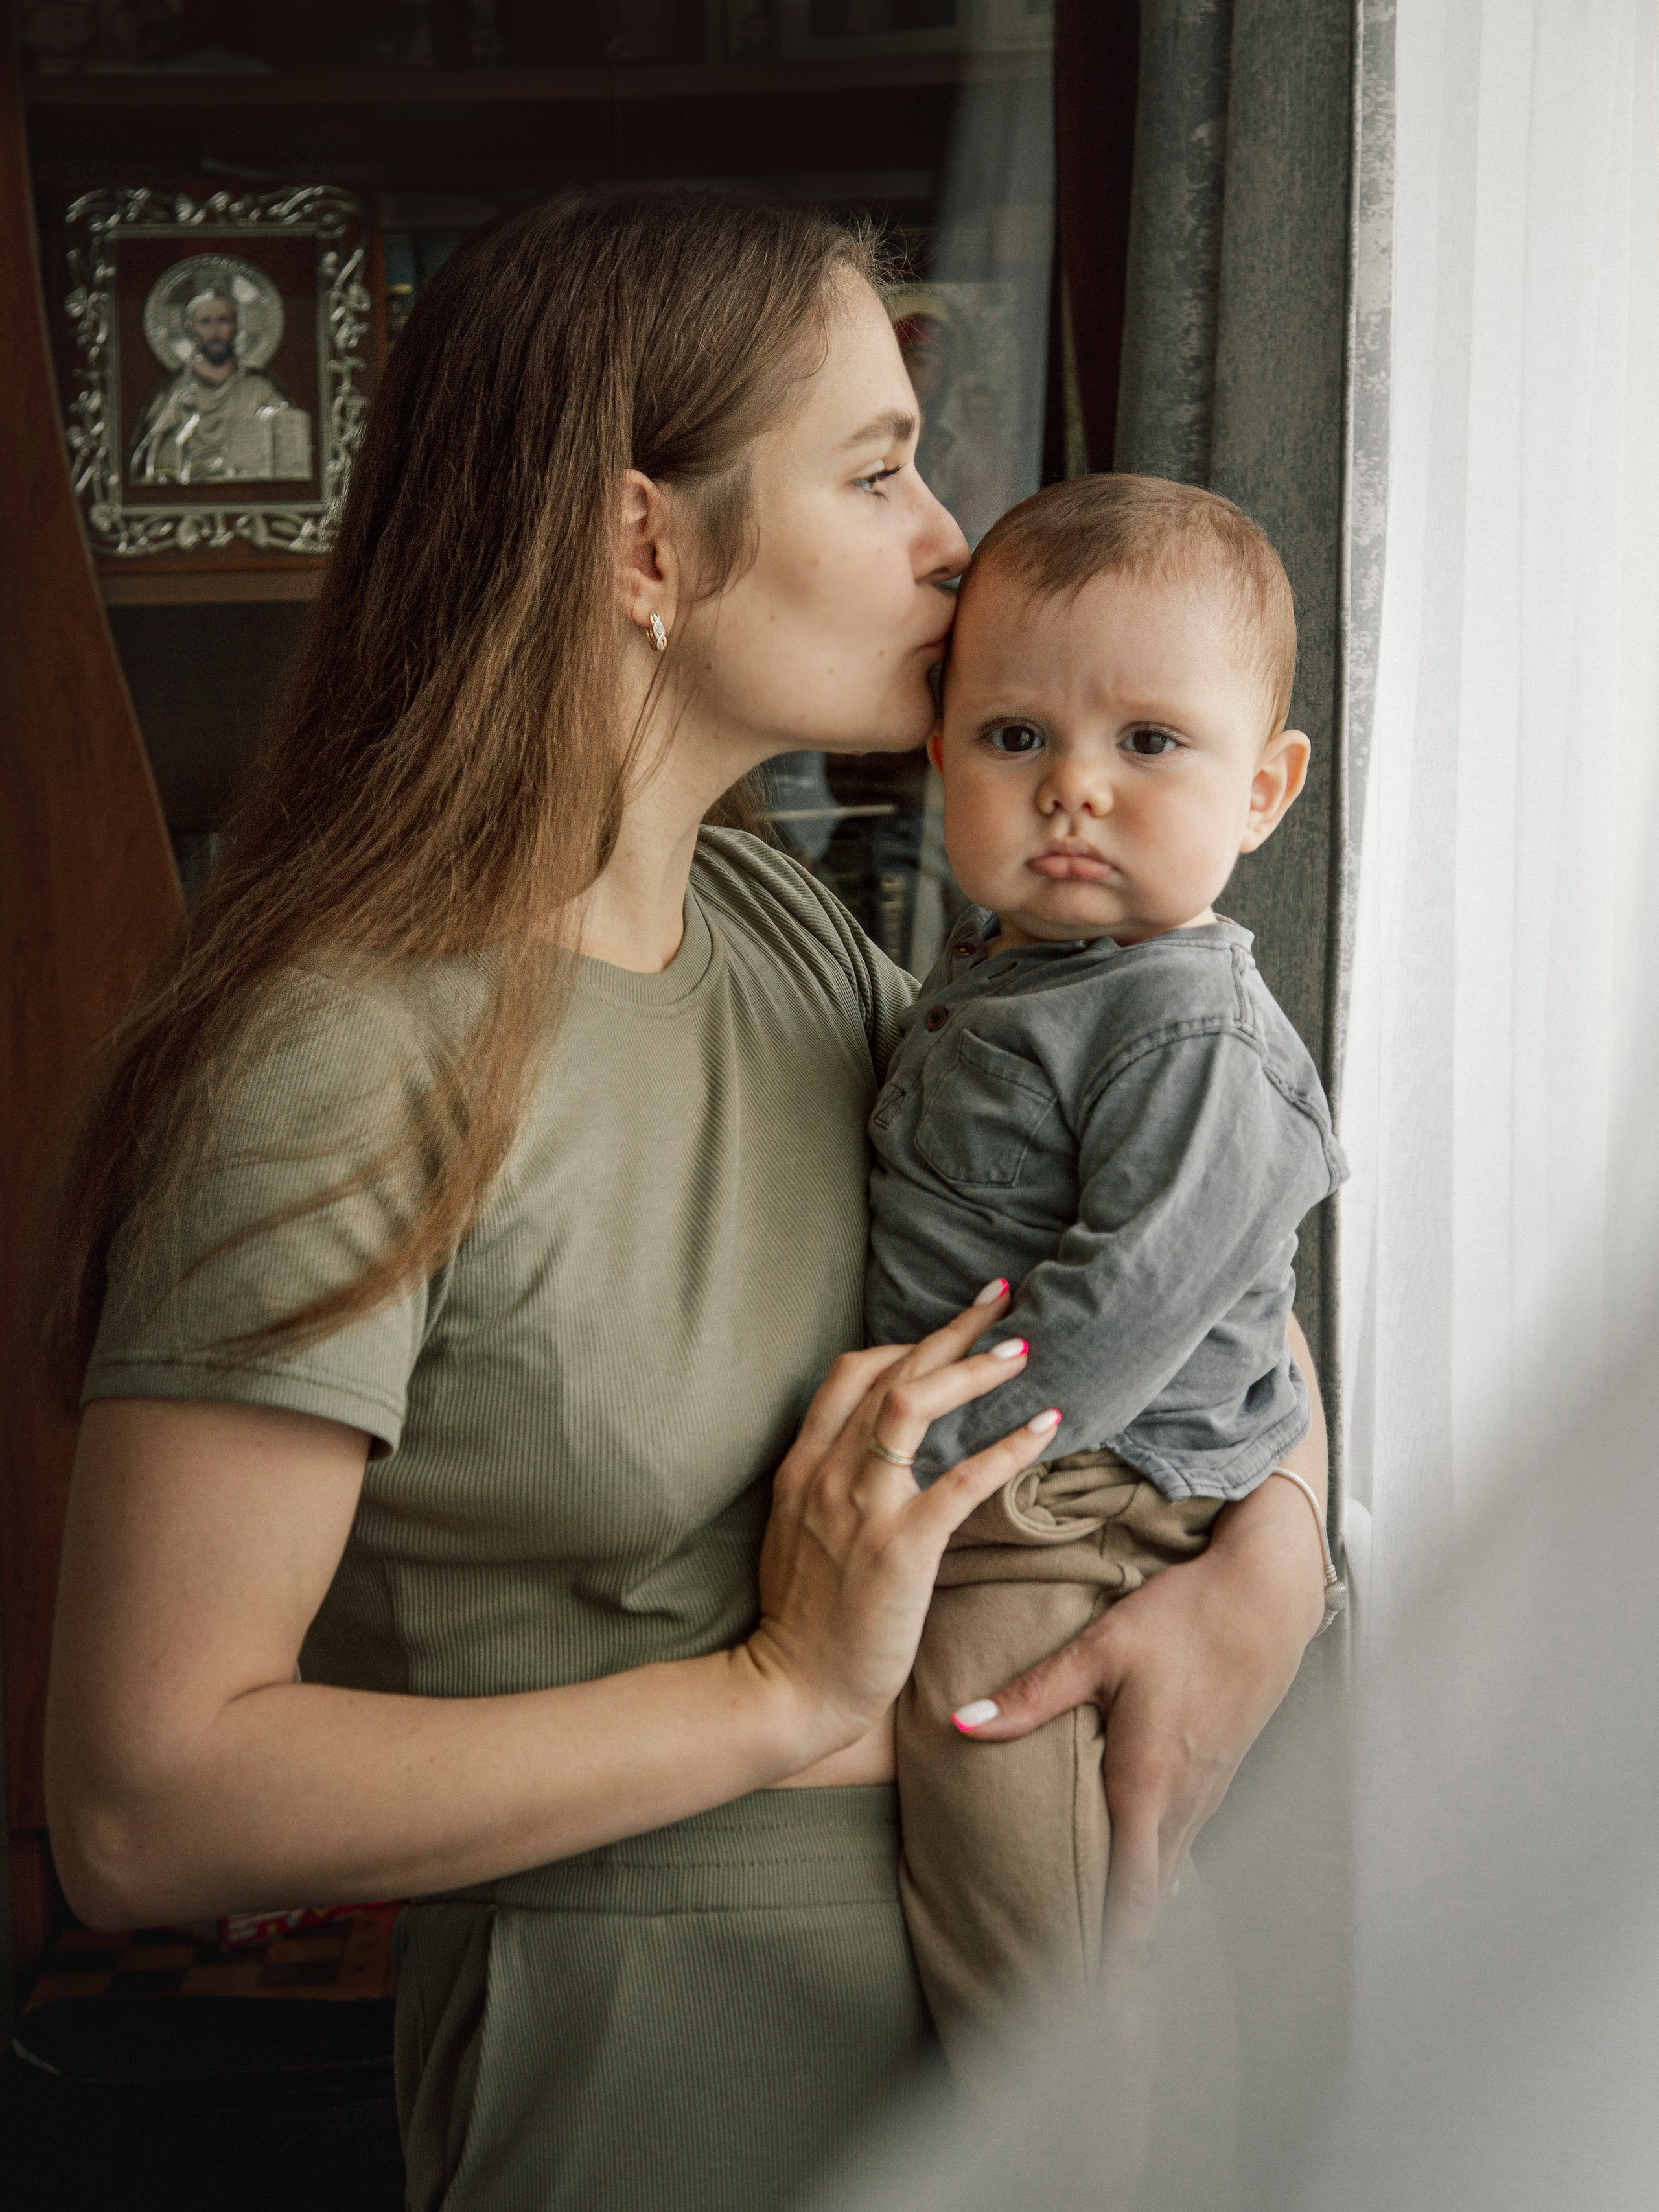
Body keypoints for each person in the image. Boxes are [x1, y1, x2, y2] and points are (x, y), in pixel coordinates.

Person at [41, 196, 1334, 2212]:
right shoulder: (340, 1059)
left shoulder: (775, 929)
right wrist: (773, 1698)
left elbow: (1169, 1222)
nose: (952, 544)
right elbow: (143, 1804)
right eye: (880, 466)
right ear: (644, 546)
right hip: (662, 2102)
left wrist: (1274, 1541)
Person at [866, 476, 1345, 2053]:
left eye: (1148, 743)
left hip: (1076, 1502)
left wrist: (928, 1461)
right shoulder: (1011, 968)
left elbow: (1125, 1305)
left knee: (1026, 1920)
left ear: (1263, 787)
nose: (1074, 787)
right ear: (940, 757)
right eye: (1015, 738)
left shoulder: (1185, 1025)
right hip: (1027, 1470)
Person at [130, 285, 305, 483]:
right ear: (192, 329)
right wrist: (181, 432)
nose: (215, 330)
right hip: (191, 499)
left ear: (236, 327)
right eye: (205, 322)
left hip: (250, 494)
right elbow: (148, 465)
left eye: (223, 320)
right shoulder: (176, 392)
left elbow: (290, 441)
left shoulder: (259, 388)